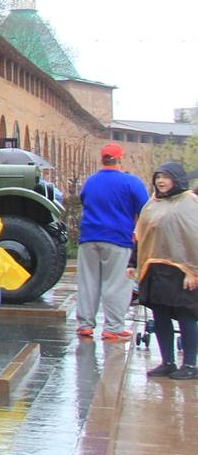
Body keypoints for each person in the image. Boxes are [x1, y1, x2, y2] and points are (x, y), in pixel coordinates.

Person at [130, 162, 198, 379]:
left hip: (181, 270)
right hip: (155, 268)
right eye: (158, 176)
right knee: (160, 316)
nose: (161, 181)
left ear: (176, 179)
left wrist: (193, 271)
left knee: (186, 316)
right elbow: (142, 235)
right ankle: (167, 361)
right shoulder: (152, 204)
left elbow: (195, 237)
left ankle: (190, 364)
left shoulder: (190, 202)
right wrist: (133, 263)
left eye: (166, 177)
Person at [76, 142, 147, 342]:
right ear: (120, 159)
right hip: (118, 239)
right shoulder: (131, 182)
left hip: (89, 238)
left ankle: (85, 325)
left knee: (88, 282)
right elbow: (146, 210)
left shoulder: (90, 181)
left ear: (102, 159)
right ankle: (113, 328)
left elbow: (84, 201)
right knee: (116, 284)